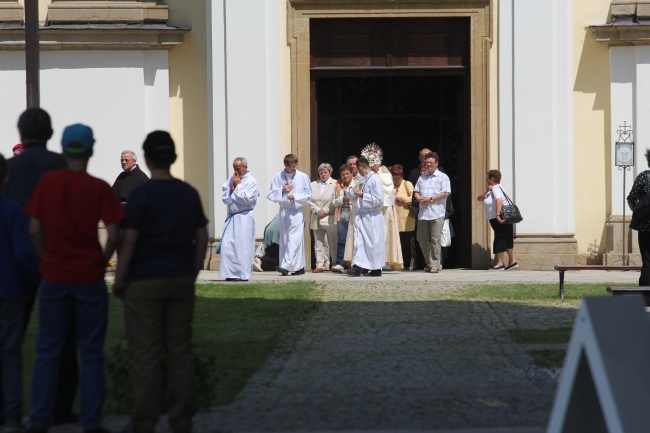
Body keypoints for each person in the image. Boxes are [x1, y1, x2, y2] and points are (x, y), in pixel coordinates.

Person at [25, 124, 124, 433]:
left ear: (64, 150)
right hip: (88, 278)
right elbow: (114, 233)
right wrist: (101, 260)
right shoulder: (99, 187)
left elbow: (34, 230)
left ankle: (40, 419)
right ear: (91, 151)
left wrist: (45, 261)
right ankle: (92, 422)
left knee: (48, 351)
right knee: (91, 352)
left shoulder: (47, 184)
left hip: (54, 276)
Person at [114, 131, 208, 433]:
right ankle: (181, 420)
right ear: (174, 157)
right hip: (179, 278)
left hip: (144, 281)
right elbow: (202, 236)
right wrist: (191, 273)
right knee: (180, 351)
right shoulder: (187, 192)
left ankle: (145, 420)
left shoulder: (141, 195)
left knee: (145, 353)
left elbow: (129, 240)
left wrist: (119, 277)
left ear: (147, 158)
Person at [7, 108, 78, 426]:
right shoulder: (62, 167)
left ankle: (7, 407)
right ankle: (60, 407)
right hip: (57, 260)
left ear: (20, 135)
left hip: (14, 263)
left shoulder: (9, 169)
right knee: (61, 338)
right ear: (50, 135)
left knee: (9, 340)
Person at [0, 153, 39, 433]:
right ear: (6, 178)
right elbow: (25, 254)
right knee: (10, 353)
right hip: (9, 290)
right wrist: (27, 285)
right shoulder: (12, 211)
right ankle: (11, 412)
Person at [267, 154, 312, 276]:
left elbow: (308, 194)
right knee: (286, 239)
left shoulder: (303, 176)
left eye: (295, 166)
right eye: (291, 167)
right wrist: (281, 190)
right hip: (284, 211)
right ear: (285, 165)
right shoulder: (277, 176)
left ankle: (285, 266)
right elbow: (270, 194)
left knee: (294, 238)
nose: (294, 169)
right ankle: (298, 267)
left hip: (296, 211)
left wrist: (296, 196)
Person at [362, 143, 403, 270]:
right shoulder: (363, 175)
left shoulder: (385, 173)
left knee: (381, 234)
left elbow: (388, 190)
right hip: (367, 209)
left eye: (374, 164)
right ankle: (366, 262)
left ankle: (380, 262)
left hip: (382, 209)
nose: (372, 166)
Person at [219, 157, 259, 281]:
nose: (236, 172)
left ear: (245, 168)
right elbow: (225, 198)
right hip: (233, 217)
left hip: (244, 217)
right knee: (228, 246)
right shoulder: (232, 179)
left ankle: (242, 274)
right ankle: (230, 273)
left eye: (238, 169)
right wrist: (232, 189)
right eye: (234, 169)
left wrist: (238, 186)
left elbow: (247, 199)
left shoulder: (252, 181)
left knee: (242, 247)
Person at [347, 157, 385, 276]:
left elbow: (379, 199)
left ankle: (375, 267)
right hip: (364, 215)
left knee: (373, 242)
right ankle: (361, 266)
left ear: (360, 168)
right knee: (361, 242)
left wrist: (363, 195)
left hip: (372, 216)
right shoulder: (365, 180)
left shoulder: (375, 180)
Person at [413, 151, 451, 274]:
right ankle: (429, 262)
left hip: (437, 212)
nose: (429, 164)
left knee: (435, 239)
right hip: (423, 213)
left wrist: (431, 199)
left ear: (436, 163)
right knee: (421, 238)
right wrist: (419, 199)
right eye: (427, 162)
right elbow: (416, 191)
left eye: (431, 162)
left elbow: (446, 193)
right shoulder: (421, 177)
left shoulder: (443, 177)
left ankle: (435, 264)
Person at [308, 163, 337, 273]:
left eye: (325, 172)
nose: (323, 174)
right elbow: (308, 199)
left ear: (330, 173)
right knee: (318, 243)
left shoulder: (335, 183)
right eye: (321, 173)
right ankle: (319, 264)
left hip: (329, 216)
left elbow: (334, 200)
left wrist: (324, 210)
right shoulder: (313, 184)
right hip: (316, 216)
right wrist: (317, 209)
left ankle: (334, 263)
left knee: (332, 242)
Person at [628, 153, 650, 284]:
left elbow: (631, 199)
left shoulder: (643, 177)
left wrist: (639, 211)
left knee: (647, 261)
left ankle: (646, 295)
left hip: (645, 227)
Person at [331, 164, 356, 273]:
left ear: (351, 174)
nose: (345, 176)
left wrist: (350, 199)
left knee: (355, 239)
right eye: (343, 174)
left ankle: (354, 263)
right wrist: (342, 198)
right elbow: (333, 202)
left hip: (353, 213)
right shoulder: (337, 184)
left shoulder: (356, 183)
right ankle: (340, 263)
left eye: (347, 173)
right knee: (342, 239)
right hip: (341, 214)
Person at [390, 164, 416, 269]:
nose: (396, 180)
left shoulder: (407, 184)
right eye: (394, 178)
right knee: (396, 244)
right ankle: (396, 264)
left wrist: (403, 199)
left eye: (398, 178)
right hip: (394, 220)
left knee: (406, 245)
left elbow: (414, 198)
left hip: (406, 220)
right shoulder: (390, 185)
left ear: (402, 176)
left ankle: (406, 265)